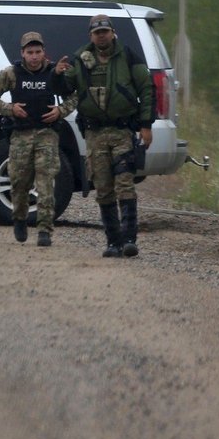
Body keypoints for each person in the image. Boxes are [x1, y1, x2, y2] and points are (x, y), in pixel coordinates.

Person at [54, 14, 154, 258]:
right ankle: (113, 242)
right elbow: (62, 89)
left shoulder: (128, 56)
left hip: (122, 131)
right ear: (91, 35)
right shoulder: (80, 60)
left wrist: (146, 125)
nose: (101, 36)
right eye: (97, 32)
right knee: (103, 187)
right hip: (95, 134)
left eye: (105, 31)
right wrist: (56, 74)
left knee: (125, 183)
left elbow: (147, 88)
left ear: (112, 32)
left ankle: (129, 239)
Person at [0, 32, 77, 247]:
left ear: (44, 52)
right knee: (19, 182)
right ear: (22, 53)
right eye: (30, 52)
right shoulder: (11, 74)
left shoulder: (55, 73)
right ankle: (19, 219)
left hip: (47, 134)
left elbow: (75, 95)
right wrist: (10, 109)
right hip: (21, 135)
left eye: (37, 52)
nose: (34, 57)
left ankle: (45, 229)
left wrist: (61, 111)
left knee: (46, 183)